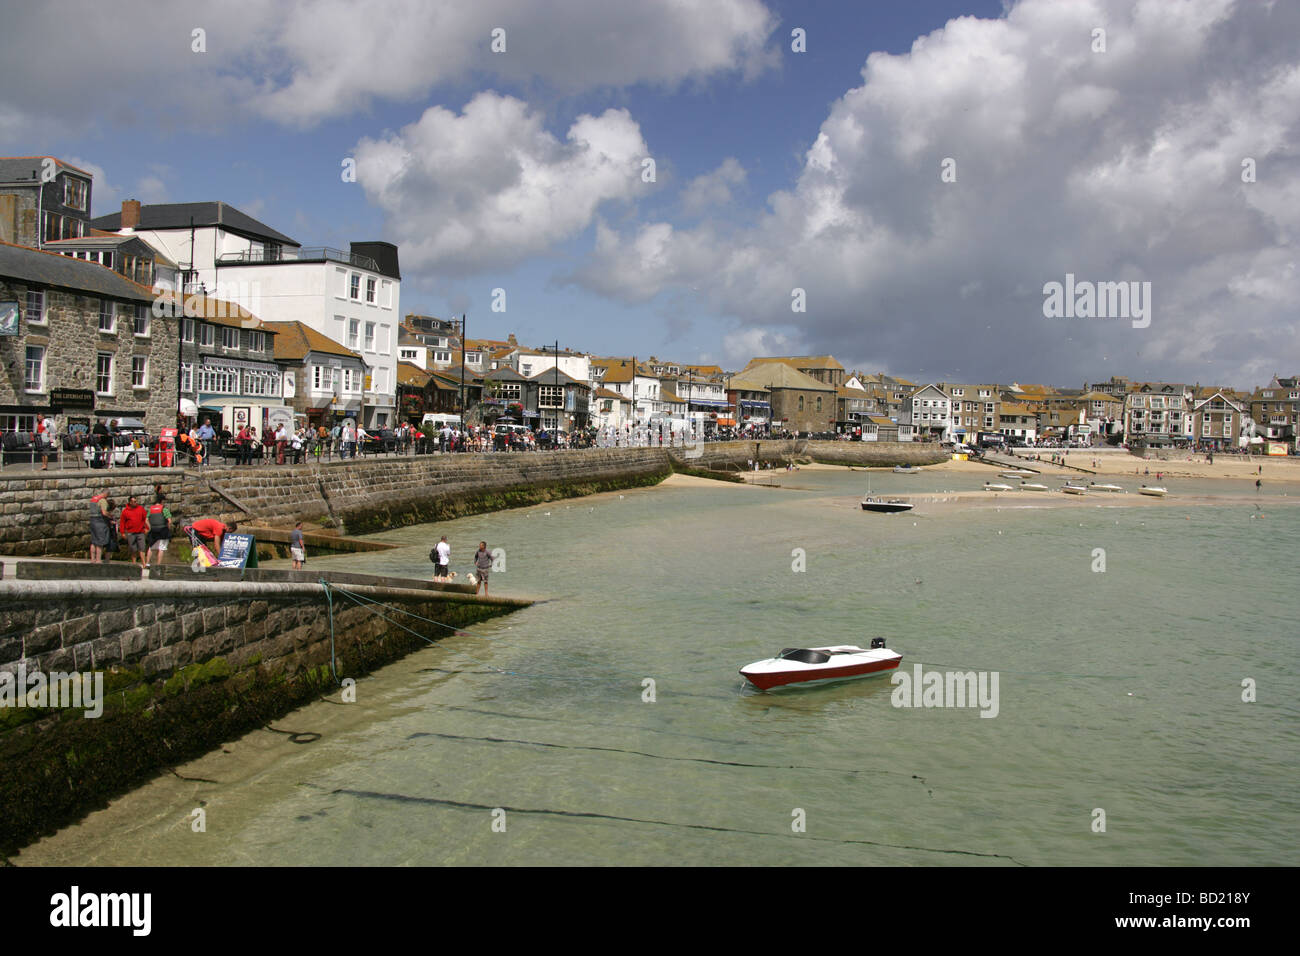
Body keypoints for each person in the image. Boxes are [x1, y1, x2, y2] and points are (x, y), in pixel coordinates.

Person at [119, 494, 149, 569]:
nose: (135, 503)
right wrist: (122, 532)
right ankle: (134, 564)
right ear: (130, 502)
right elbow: (122, 522)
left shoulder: (140, 509)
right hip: (131, 532)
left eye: (136, 501)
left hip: (140, 532)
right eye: (133, 501)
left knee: (142, 548)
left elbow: (145, 519)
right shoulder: (125, 511)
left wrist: (146, 527)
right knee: (133, 549)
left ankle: (144, 564)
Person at [144, 492, 172, 569]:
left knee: (151, 547)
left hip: (153, 530)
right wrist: (168, 528)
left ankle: (147, 563)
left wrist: (150, 527)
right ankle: (158, 565)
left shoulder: (151, 509)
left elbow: (146, 520)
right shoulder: (164, 509)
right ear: (162, 501)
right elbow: (169, 520)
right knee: (161, 548)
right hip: (163, 530)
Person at [89, 492, 113, 563]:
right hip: (100, 522)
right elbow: (104, 512)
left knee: (93, 542)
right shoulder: (102, 500)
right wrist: (110, 515)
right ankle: (98, 559)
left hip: (92, 521)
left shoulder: (93, 499)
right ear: (105, 494)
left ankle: (92, 559)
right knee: (100, 542)